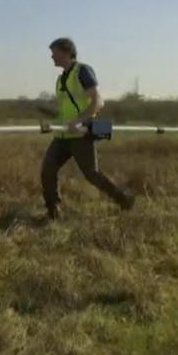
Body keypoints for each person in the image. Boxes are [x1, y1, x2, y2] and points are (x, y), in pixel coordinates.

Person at [41, 37, 135, 220]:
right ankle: (53, 209)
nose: (52, 57)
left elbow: (98, 101)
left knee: (91, 174)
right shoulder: (60, 80)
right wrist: (48, 116)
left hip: (81, 134)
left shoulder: (82, 71)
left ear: (66, 52)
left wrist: (78, 121)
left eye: (54, 53)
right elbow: (64, 110)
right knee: (47, 169)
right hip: (63, 135)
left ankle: (123, 199)